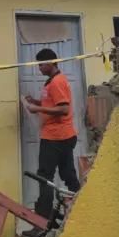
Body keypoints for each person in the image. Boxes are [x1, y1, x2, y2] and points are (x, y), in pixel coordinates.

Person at [22, 48, 80, 221]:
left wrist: (38, 108)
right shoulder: (53, 81)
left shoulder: (57, 82)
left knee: (45, 175)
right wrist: (36, 102)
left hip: (56, 137)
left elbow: (63, 109)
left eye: (40, 64)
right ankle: (79, 207)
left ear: (50, 63)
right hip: (61, 136)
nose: (38, 68)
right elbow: (54, 104)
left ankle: (42, 219)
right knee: (67, 173)